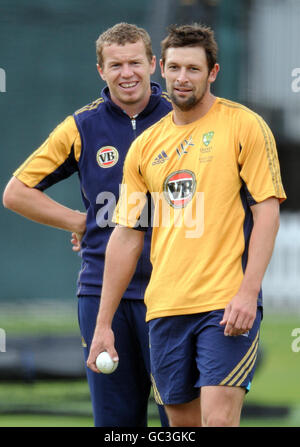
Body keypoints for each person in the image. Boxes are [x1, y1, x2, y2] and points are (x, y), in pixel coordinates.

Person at [86, 23, 287, 427]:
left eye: (193, 69)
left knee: (218, 422)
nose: (182, 78)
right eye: (175, 68)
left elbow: (266, 211)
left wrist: (248, 293)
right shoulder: (144, 145)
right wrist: (103, 324)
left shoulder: (244, 126)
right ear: (162, 69)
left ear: (213, 72)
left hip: (224, 306)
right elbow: (126, 235)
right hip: (163, 310)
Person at [2, 23, 171, 427]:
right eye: (115, 65)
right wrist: (82, 221)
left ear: (154, 64)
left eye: (135, 62)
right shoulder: (81, 126)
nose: (126, 73)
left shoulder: (182, 119)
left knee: (180, 419)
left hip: (174, 293)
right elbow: (16, 192)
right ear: (100, 70)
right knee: (115, 423)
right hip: (102, 293)